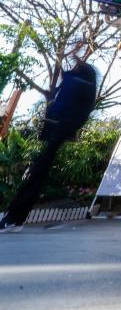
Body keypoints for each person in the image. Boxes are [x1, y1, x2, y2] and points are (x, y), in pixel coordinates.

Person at [1, 47, 98, 232]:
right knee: (35, 174)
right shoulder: (84, 84)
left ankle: (14, 219)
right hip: (59, 131)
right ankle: (15, 219)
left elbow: (66, 93)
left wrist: (74, 55)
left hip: (56, 131)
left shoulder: (78, 82)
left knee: (35, 174)